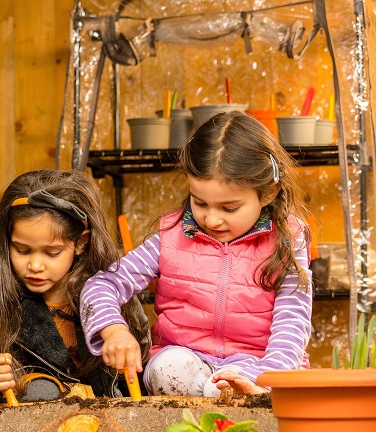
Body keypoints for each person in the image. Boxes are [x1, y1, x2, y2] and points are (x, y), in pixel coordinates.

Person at [81, 111, 312, 397]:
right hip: (185, 363)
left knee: (230, 386)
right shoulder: (170, 237)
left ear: (267, 193)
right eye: (200, 202)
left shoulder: (288, 242)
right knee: (168, 368)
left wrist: (266, 381)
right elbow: (102, 284)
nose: (212, 220)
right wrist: (113, 330)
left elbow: (292, 324)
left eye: (229, 208)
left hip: (257, 367)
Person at [0, 170, 150, 401]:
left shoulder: (109, 290)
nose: (34, 265)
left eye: (52, 253)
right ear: (7, 241)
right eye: (22, 250)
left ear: (81, 243)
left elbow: (141, 358)